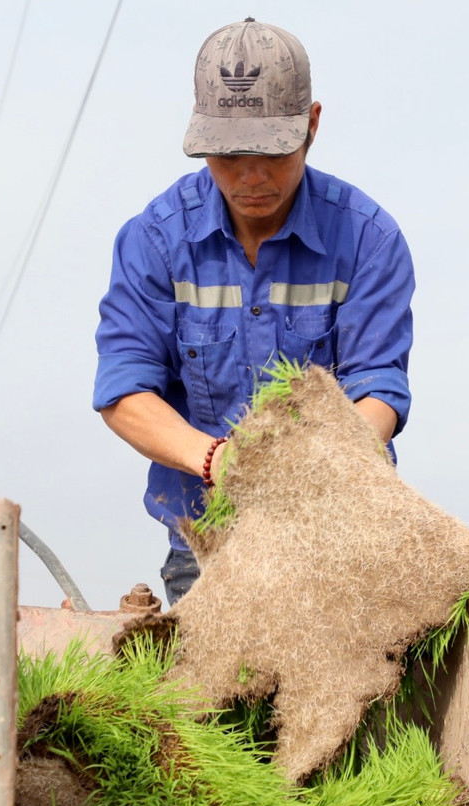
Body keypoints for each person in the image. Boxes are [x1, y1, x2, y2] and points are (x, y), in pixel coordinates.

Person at [94, 18, 415, 605]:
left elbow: (379, 389)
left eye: (271, 153)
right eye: (228, 155)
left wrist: (316, 470)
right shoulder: (155, 241)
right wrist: (217, 461)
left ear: (311, 125)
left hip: (339, 539)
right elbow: (124, 391)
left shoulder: (368, 240)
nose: (251, 176)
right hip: (205, 545)